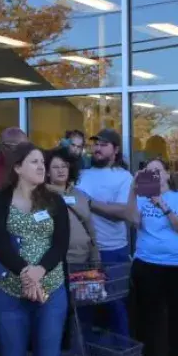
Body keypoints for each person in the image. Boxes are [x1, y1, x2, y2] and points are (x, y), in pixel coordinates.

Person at [0, 143, 71, 356]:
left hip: (50, 290)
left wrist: (39, 271)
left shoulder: (54, 200)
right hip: (9, 291)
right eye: (34, 162)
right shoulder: (0, 201)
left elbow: (60, 244)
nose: (41, 167)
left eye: (42, 162)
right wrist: (26, 273)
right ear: (17, 168)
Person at [129, 158, 178, 356]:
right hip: (148, 265)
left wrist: (162, 204)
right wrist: (133, 191)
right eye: (148, 172)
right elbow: (133, 220)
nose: (153, 175)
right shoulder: (141, 198)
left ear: (168, 174)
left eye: (158, 171)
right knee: (147, 320)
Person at [76, 128, 135, 336]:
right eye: (96, 144)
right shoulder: (82, 174)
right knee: (84, 307)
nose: (97, 149)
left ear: (116, 150)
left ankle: (121, 349)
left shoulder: (124, 177)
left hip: (112, 251)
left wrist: (88, 202)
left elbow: (122, 212)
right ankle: (86, 351)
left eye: (103, 145)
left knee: (115, 306)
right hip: (85, 252)